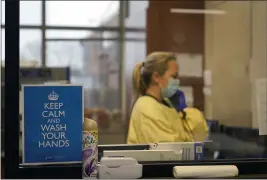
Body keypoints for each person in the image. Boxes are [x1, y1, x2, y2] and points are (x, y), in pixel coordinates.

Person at [127, 52, 208, 144]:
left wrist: (184, 113)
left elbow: (197, 135)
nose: (177, 81)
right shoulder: (147, 107)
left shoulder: (165, 104)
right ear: (156, 77)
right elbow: (171, 147)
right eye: (174, 76)